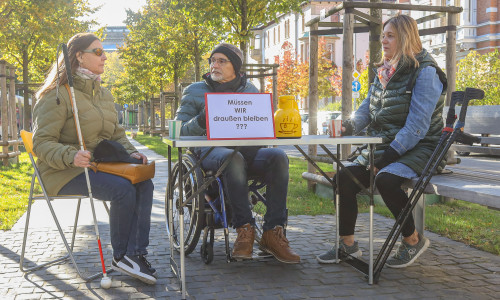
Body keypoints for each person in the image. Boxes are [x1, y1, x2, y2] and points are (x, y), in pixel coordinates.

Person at [317, 14, 447, 268]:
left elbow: (417, 127)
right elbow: (367, 108)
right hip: (386, 144)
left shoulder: (426, 72)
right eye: (382, 36)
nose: (383, 41)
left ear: (406, 38)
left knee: (385, 179)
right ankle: (348, 245)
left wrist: (385, 160)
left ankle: (412, 240)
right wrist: (349, 125)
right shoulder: (385, 70)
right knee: (344, 176)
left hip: (421, 146)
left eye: (390, 36)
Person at [33, 33, 157, 284]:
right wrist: (71, 155)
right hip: (63, 171)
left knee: (144, 181)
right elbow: (41, 143)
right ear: (79, 56)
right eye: (98, 52)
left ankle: (135, 254)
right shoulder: (58, 94)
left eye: (104, 51)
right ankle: (121, 256)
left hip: (98, 165)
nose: (105, 56)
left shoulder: (103, 94)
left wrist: (130, 152)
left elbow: (116, 134)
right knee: (123, 189)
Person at [175, 43, 300, 264]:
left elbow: (259, 126)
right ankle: (245, 229)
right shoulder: (194, 90)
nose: (215, 64)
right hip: (208, 153)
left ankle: (273, 233)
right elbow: (179, 130)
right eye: (212, 60)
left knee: (278, 157)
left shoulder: (250, 90)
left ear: (236, 67)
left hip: (245, 150)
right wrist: (202, 119)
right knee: (233, 159)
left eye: (222, 61)